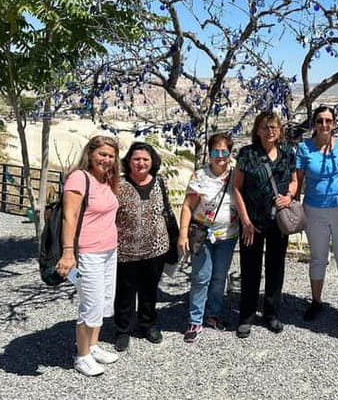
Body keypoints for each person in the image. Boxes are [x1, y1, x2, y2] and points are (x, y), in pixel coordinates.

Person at [55, 135, 121, 377]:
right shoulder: (79, 178)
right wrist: (68, 253)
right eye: (102, 154)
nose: (107, 159)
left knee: (103, 300)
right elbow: (68, 217)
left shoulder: (105, 180)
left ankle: (93, 346)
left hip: (108, 250)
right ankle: (81, 356)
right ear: (90, 154)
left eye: (111, 156)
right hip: (86, 252)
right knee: (90, 304)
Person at [232, 111, 298, 339]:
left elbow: (294, 180)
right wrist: (245, 220)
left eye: (273, 127)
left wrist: (289, 196)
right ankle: (246, 315)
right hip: (252, 221)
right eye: (265, 127)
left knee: (276, 266)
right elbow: (236, 188)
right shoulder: (247, 154)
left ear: (280, 130)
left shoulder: (288, 153)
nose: (270, 131)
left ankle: (271, 313)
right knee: (250, 268)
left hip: (278, 220)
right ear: (257, 131)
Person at [295, 105, 338, 327]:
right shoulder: (304, 148)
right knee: (318, 257)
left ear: (334, 123)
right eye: (320, 120)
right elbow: (299, 178)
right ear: (314, 123)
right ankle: (316, 301)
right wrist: (293, 203)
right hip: (315, 209)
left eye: (328, 121)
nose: (324, 125)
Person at [113, 142, 174, 352]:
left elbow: (168, 212)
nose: (141, 163)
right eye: (136, 159)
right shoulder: (118, 184)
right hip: (125, 249)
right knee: (124, 291)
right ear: (128, 161)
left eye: (145, 159)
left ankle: (147, 324)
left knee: (150, 290)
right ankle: (123, 329)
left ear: (152, 162)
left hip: (156, 247)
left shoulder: (160, 182)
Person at [178, 133, 239, 343]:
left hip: (228, 235)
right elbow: (187, 206)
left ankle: (213, 314)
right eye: (216, 151)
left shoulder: (235, 174)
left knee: (219, 277)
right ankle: (195, 319)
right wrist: (183, 233)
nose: (220, 156)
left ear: (230, 154)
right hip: (202, 234)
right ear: (210, 153)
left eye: (224, 152)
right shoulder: (199, 176)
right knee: (201, 277)